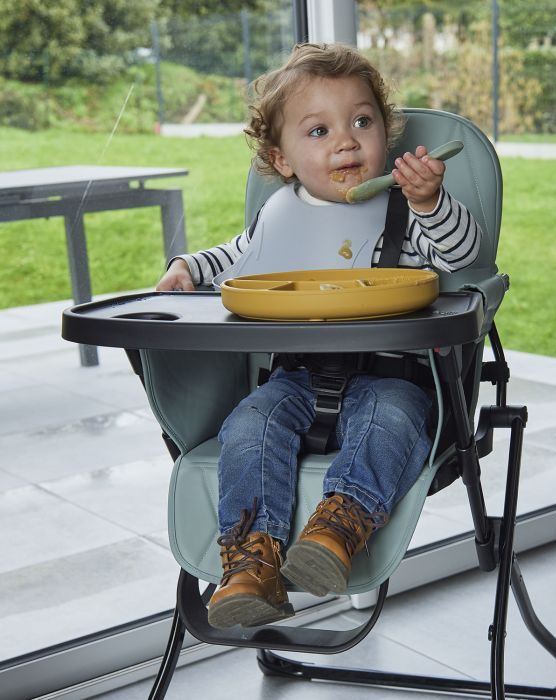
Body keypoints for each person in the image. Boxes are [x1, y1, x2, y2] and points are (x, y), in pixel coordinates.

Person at [156, 43, 482, 629]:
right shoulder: (279, 214)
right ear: (281, 159)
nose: (346, 141)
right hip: (295, 377)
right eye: (319, 130)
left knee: (393, 419)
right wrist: (187, 268)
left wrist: (431, 202)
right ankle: (250, 562)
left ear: (385, 134)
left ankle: (336, 532)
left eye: (362, 122)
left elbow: (462, 255)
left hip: (392, 377)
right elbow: (237, 257)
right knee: (248, 425)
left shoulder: (403, 213)